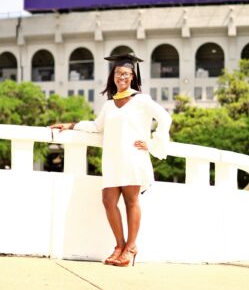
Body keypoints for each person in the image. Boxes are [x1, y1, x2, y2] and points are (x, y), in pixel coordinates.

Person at [50, 53, 172, 267]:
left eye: (125, 73)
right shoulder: (109, 105)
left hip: (133, 157)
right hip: (113, 159)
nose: (121, 77)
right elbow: (97, 127)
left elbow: (165, 118)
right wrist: (71, 125)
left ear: (133, 76)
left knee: (131, 201)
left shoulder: (141, 100)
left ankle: (131, 247)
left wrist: (152, 144)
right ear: (113, 76)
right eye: (118, 73)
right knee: (108, 201)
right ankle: (120, 245)